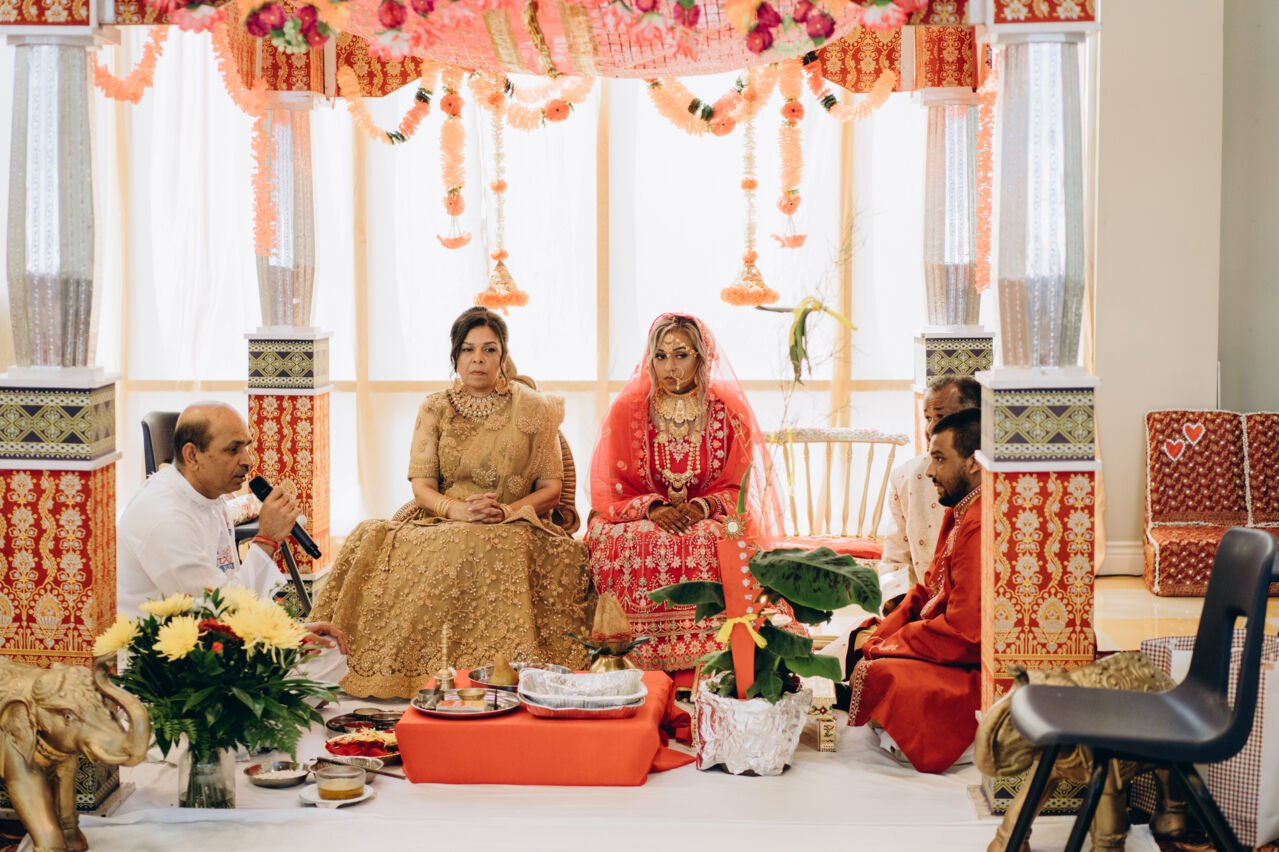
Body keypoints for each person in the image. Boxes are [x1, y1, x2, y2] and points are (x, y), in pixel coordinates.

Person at [311, 307, 593, 698]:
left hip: (515, 522)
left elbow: (551, 489)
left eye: (489, 349)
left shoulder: (533, 407)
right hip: (442, 518)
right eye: (468, 349)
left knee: (483, 544)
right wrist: (457, 510)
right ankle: (408, 669)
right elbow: (422, 487)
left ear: (503, 356)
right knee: (371, 535)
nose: (478, 359)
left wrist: (506, 512)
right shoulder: (435, 408)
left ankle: (488, 671)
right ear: (455, 357)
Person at [586, 314, 784, 673]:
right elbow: (612, 488)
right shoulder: (627, 408)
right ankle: (626, 652)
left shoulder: (728, 411)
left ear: (701, 357)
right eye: (660, 357)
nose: (670, 367)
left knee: (715, 537)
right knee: (618, 539)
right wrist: (652, 508)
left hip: (710, 515)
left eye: (680, 355)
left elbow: (738, 486)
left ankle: (718, 650)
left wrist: (703, 506)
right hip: (641, 513)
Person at [116, 402, 348, 663]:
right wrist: (267, 539)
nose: (248, 461)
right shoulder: (164, 518)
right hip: (166, 660)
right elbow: (219, 611)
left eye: (246, 447)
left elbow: (232, 585)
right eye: (233, 450)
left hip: (213, 638)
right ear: (192, 456)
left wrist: (289, 630)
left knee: (332, 653)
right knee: (324, 661)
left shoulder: (209, 496)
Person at [847, 407, 983, 774]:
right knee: (862, 642)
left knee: (884, 673)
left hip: (974, 663)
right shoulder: (962, 510)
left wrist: (896, 643)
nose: (930, 471)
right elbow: (930, 589)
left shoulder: (979, 523)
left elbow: (966, 633)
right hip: (947, 640)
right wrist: (886, 634)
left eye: (939, 458)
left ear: (973, 462)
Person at [878, 376, 981, 611]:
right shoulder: (906, 477)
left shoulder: (1001, 481)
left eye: (941, 417)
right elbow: (895, 559)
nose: (930, 429)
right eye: (927, 418)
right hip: (924, 610)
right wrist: (898, 603)